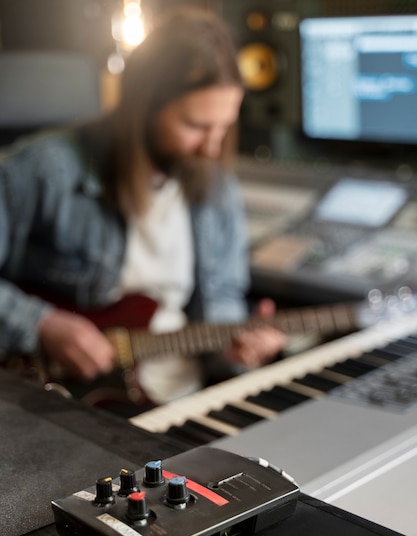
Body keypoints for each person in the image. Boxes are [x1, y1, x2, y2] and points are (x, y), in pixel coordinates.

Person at [0, 6, 285, 412]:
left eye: (224, 126)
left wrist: (238, 349)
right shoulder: (44, 169)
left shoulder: (217, 185)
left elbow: (221, 307)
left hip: (187, 398)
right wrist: (40, 324)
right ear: (144, 105)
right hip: (77, 407)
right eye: (196, 125)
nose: (212, 147)